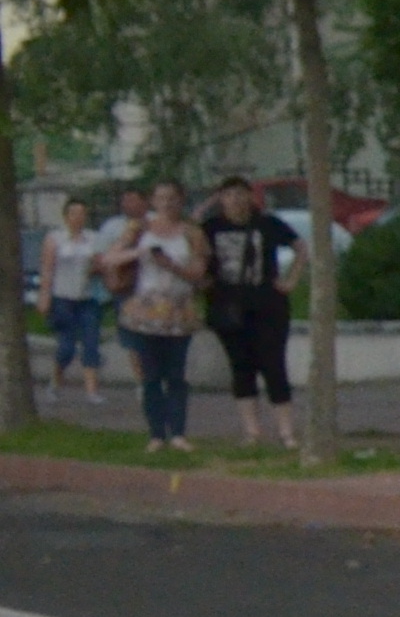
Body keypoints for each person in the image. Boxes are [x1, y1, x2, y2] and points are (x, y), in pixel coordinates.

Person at [196, 174, 299, 445]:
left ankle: (286, 430)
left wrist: (290, 281)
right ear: (221, 199)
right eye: (229, 195)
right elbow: (190, 238)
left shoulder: (267, 224)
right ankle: (252, 431)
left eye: (241, 194)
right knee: (241, 368)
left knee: (273, 365)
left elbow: (301, 247)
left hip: (267, 305)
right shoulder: (211, 227)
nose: (236, 200)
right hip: (227, 305)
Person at [108, 184, 200, 453]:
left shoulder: (191, 233)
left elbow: (198, 271)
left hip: (178, 310)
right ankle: (156, 434)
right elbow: (110, 258)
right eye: (161, 198)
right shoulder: (139, 229)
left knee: (176, 374)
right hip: (145, 310)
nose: (167, 204)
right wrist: (140, 253)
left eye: (173, 198)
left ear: (181, 200)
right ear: (153, 201)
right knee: (150, 375)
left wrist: (171, 265)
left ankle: (179, 432)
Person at [37, 193, 105, 395]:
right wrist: (44, 296)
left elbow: (101, 263)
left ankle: (92, 390)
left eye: (82, 213)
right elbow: (48, 269)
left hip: (87, 298)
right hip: (62, 298)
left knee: (91, 343)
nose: (78, 217)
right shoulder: (55, 238)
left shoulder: (93, 238)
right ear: (66, 216)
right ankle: (56, 380)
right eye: (74, 213)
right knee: (66, 346)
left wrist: (97, 268)